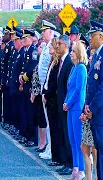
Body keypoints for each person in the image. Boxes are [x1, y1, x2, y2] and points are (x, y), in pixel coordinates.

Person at [81, 20, 103, 180]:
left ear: (101, 36)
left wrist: (92, 108)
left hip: (102, 112)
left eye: (92, 35)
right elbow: (91, 85)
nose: (90, 39)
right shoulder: (96, 55)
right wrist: (86, 106)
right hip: (94, 111)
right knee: (99, 150)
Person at [63, 41, 88, 180]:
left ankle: (82, 169)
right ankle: (75, 166)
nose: (71, 53)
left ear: (78, 53)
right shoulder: (74, 67)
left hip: (77, 107)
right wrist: (66, 102)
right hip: (70, 106)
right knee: (72, 139)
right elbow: (70, 87)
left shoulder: (81, 68)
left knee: (79, 140)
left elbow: (79, 90)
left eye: (73, 51)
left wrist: (69, 102)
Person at [37, 20, 57, 158]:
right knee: (48, 120)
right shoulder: (46, 46)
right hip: (44, 87)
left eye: (44, 31)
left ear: (50, 32)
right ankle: (49, 147)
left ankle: (51, 149)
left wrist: (46, 89)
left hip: (48, 88)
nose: (42, 33)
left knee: (50, 121)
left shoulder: (52, 47)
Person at [55, 35, 73, 175]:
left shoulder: (69, 61)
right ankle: (64, 161)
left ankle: (70, 163)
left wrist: (67, 102)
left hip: (67, 104)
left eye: (60, 44)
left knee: (68, 135)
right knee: (62, 132)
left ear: (66, 45)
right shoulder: (61, 61)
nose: (57, 46)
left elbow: (69, 86)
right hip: (60, 103)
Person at [18, 29, 39, 147]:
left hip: (30, 85)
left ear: (31, 39)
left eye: (26, 38)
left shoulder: (33, 51)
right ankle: (26, 135)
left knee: (31, 112)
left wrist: (24, 77)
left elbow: (32, 67)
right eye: (23, 38)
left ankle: (32, 137)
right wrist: (21, 78)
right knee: (25, 111)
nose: (24, 40)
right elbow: (22, 67)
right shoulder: (25, 51)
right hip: (24, 85)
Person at [42, 38, 60, 163]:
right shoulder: (52, 62)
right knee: (50, 126)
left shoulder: (57, 62)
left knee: (53, 127)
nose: (49, 49)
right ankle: (50, 150)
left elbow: (53, 83)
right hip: (47, 96)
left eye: (50, 47)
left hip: (52, 99)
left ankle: (54, 153)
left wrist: (46, 95)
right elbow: (47, 81)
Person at [81, 50, 97, 180]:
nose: (91, 58)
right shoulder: (89, 70)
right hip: (87, 113)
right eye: (90, 55)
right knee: (85, 147)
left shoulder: (97, 72)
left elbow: (98, 94)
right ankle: (89, 177)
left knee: (95, 149)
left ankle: (96, 176)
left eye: (93, 55)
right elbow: (87, 93)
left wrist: (89, 111)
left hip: (95, 114)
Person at [30, 41, 47, 152]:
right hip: (36, 93)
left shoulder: (42, 62)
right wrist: (32, 93)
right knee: (39, 119)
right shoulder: (38, 62)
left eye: (40, 47)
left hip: (41, 94)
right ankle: (41, 142)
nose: (38, 48)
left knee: (42, 120)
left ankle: (43, 142)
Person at [1, 26, 16, 130]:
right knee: (6, 101)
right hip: (7, 77)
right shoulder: (8, 45)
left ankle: (9, 121)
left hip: (9, 78)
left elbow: (9, 63)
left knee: (10, 103)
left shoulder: (11, 46)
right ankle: (6, 120)